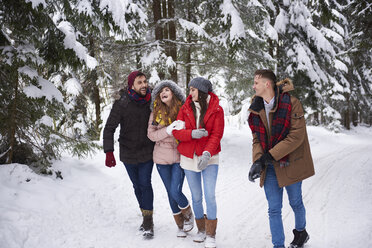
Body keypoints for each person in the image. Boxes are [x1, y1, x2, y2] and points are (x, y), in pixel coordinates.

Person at [247, 69, 315, 248]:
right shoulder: (256, 107)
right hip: (269, 166)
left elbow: (295, 137)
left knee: (295, 202)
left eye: (256, 82)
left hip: (290, 161)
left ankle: (301, 232)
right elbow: (256, 138)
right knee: (274, 209)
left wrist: (267, 157)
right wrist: (257, 161)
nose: (253, 86)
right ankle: (278, 245)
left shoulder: (292, 103)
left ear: (266, 84)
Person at [173, 77, 224, 248]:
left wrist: (208, 153)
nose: (190, 93)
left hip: (209, 157)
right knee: (196, 197)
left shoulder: (217, 109)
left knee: (209, 195)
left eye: (193, 89)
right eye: (190, 89)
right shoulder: (185, 107)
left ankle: (211, 234)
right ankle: (201, 230)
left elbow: (217, 134)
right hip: (189, 157)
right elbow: (177, 132)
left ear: (202, 92)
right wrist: (192, 134)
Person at [103, 71, 155, 239]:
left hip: (147, 150)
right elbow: (109, 127)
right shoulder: (122, 102)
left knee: (145, 183)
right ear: (132, 85)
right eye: (139, 82)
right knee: (137, 186)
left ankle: (148, 220)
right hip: (128, 151)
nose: (144, 85)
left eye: (145, 81)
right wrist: (108, 151)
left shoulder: (152, 100)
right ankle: (145, 214)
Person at [147, 80, 195, 238]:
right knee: (170, 192)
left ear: (173, 93)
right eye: (160, 91)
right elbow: (151, 135)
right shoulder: (155, 113)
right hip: (161, 159)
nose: (163, 92)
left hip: (178, 157)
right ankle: (180, 225)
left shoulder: (182, 110)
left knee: (175, 190)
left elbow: (190, 131)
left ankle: (188, 214)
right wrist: (167, 130)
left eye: (166, 89)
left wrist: (182, 130)